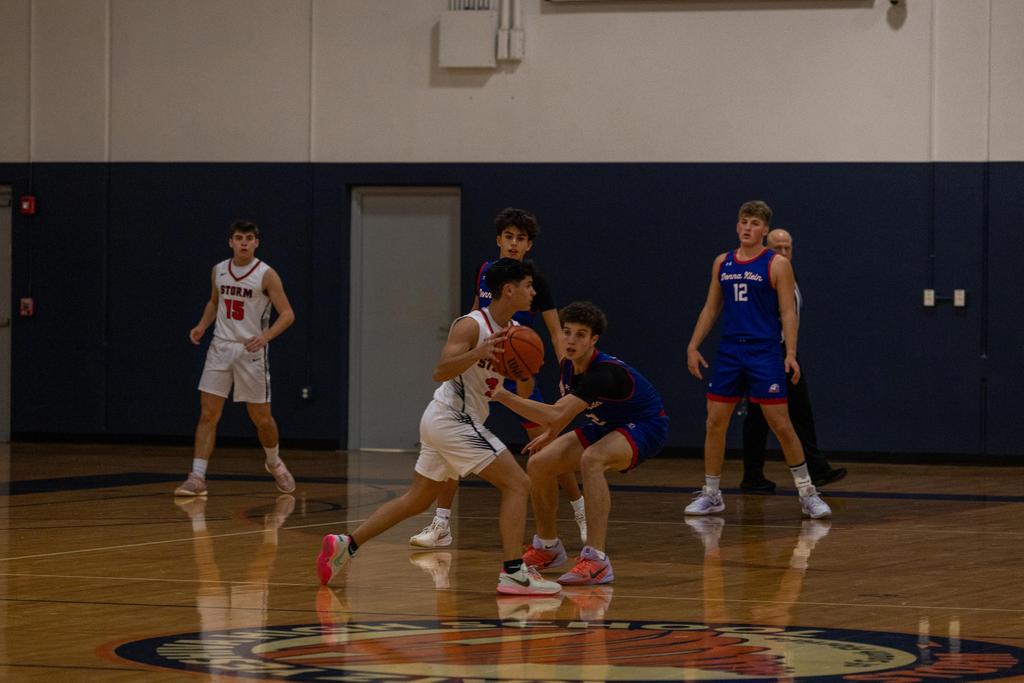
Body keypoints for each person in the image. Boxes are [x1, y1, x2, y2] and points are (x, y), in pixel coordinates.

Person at [317, 258, 561, 596]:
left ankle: (347, 544)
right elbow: (440, 370)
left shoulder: (515, 332)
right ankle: (514, 573)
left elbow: (520, 389)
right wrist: (478, 352)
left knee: (417, 500)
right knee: (519, 484)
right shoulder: (471, 325)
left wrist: (525, 371)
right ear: (509, 289)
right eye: (528, 286)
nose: (534, 292)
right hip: (453, 418)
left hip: (446, 419)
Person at [410, 207, 587, 549]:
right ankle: (441, 524)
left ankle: (581, 513)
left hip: (518, 369)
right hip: (484, 366)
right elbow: (475, 312)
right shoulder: (486, 272)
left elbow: (555, 332)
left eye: (521, 238)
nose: (513, 243)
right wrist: (466, 349)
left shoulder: (534, 282)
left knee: (547, 445)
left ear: (529, 245)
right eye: (509, 237)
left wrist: (568, 374)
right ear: (498, 240)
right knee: (454, 443)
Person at [487, 301, 669, 585]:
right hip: (606, 425)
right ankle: (548, 547)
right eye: (567, 332)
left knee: (592, 460)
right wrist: (551, 434)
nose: (571, 340)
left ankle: (597, 560)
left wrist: (502, 395)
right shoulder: (568, 365)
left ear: (593, 339)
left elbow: (555, 412)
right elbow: (563, 413)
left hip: (646, 426)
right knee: (539, 463)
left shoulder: (603, 373)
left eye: (580, 334)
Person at [685, 201, 831, 519]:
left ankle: (807, 492)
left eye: (754, 223)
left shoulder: (776, 264)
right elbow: (711, 307)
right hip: (730, 351)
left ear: (764, 229)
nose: (748, 227)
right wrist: (693, 345)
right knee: (714, 422)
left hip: (764, 351)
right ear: (737, 225)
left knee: (781, 423)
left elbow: (788, 312)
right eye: (744, 221)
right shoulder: (722, 262)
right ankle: (711, 493)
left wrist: (790, 353)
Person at [175, 221, 296, 497]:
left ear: (256, 243)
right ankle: (197, 476)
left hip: (250, 350)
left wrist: (266, 336)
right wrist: (202, 325)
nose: (243, 242)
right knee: (208, 414)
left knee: (262, 418)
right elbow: (214, 302)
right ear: (230, 242)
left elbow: (288, 314)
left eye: (249, 238)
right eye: (239, 238)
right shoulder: (218, 270)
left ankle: (274, 462)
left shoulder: (266, 274)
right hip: (220, 346)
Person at [740, 228, 847, 493]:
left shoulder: (788, 272)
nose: (784, 252)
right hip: (767, 354)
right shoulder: (763, 275)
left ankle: (815, 469)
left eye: (788, 247)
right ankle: (753, 475)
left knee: (799, 412)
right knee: (759, 416)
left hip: (785, 353)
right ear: (766, 248)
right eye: (778, 248)